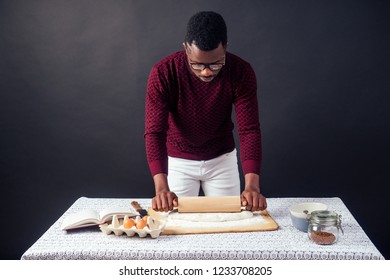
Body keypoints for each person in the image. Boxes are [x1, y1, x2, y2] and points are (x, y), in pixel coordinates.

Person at [144, 11, 266, 212]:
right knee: (175, 224)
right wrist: (161, 188)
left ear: (225, 47)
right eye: (197, 64)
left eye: (216, 63)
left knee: (229, 223)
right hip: (178, 161)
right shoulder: (164, 72)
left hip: (222, 160)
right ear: (186, 49)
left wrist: (252, 186)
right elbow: (154, 132)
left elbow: (249, 130)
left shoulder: (241, 71)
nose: (206, 71)